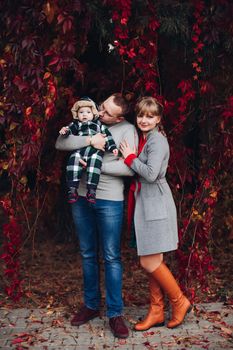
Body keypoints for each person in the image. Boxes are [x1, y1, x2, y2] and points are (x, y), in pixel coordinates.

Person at [55, 93, 138, 338]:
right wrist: (90, 138)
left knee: (111, 256)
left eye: (106, 112)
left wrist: (96, 166)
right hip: (80, 197)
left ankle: (115, 314)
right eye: (100, 107)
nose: (99, 112)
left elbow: (128, 166)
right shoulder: (87, 120)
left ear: (119, 117)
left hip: (110, 200)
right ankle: (91, 306)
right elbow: (61, 144)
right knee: (88, 253)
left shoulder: (128, 131)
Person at [119, 96, 192, 331]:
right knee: (153, 260)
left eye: (150, 116)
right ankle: (157, 311)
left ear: (158, 119)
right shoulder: (145, 139)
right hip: (146, 202)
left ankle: (179, 302)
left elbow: (150, 174)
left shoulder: (157, 141)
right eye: (140, 115)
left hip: (155, 203)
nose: (144, 120)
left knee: (148, 260)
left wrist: (129, 158)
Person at [59, 97, 118, 204]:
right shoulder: (76, 124)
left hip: (94, 152)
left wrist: (112, 147)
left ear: (93, 113)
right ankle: (72, 189)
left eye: (88, 112)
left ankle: (91, 190)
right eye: (81, 112)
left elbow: (108, 137)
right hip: (79, 151)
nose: (84, 114)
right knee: (73, 161)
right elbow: (67, 133)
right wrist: (65, 131)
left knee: (94, 165)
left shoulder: (100, 125)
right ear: (77, 114)